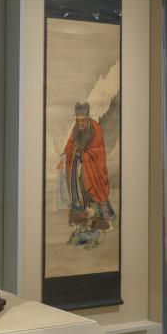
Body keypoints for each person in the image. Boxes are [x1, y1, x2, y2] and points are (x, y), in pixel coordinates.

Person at [57, 101, 116, 240]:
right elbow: (70, 143)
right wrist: (63, 159)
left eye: (82, 120)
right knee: (82, 190)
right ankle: (87, 220)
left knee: (97, 191)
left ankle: (107, 221)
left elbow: (98, 151)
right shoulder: (76, 128)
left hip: (93, 167)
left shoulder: (96, 128)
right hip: (80, 165)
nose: (80, 123)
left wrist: (83, 154)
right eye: (78, 120)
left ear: (88, 118)